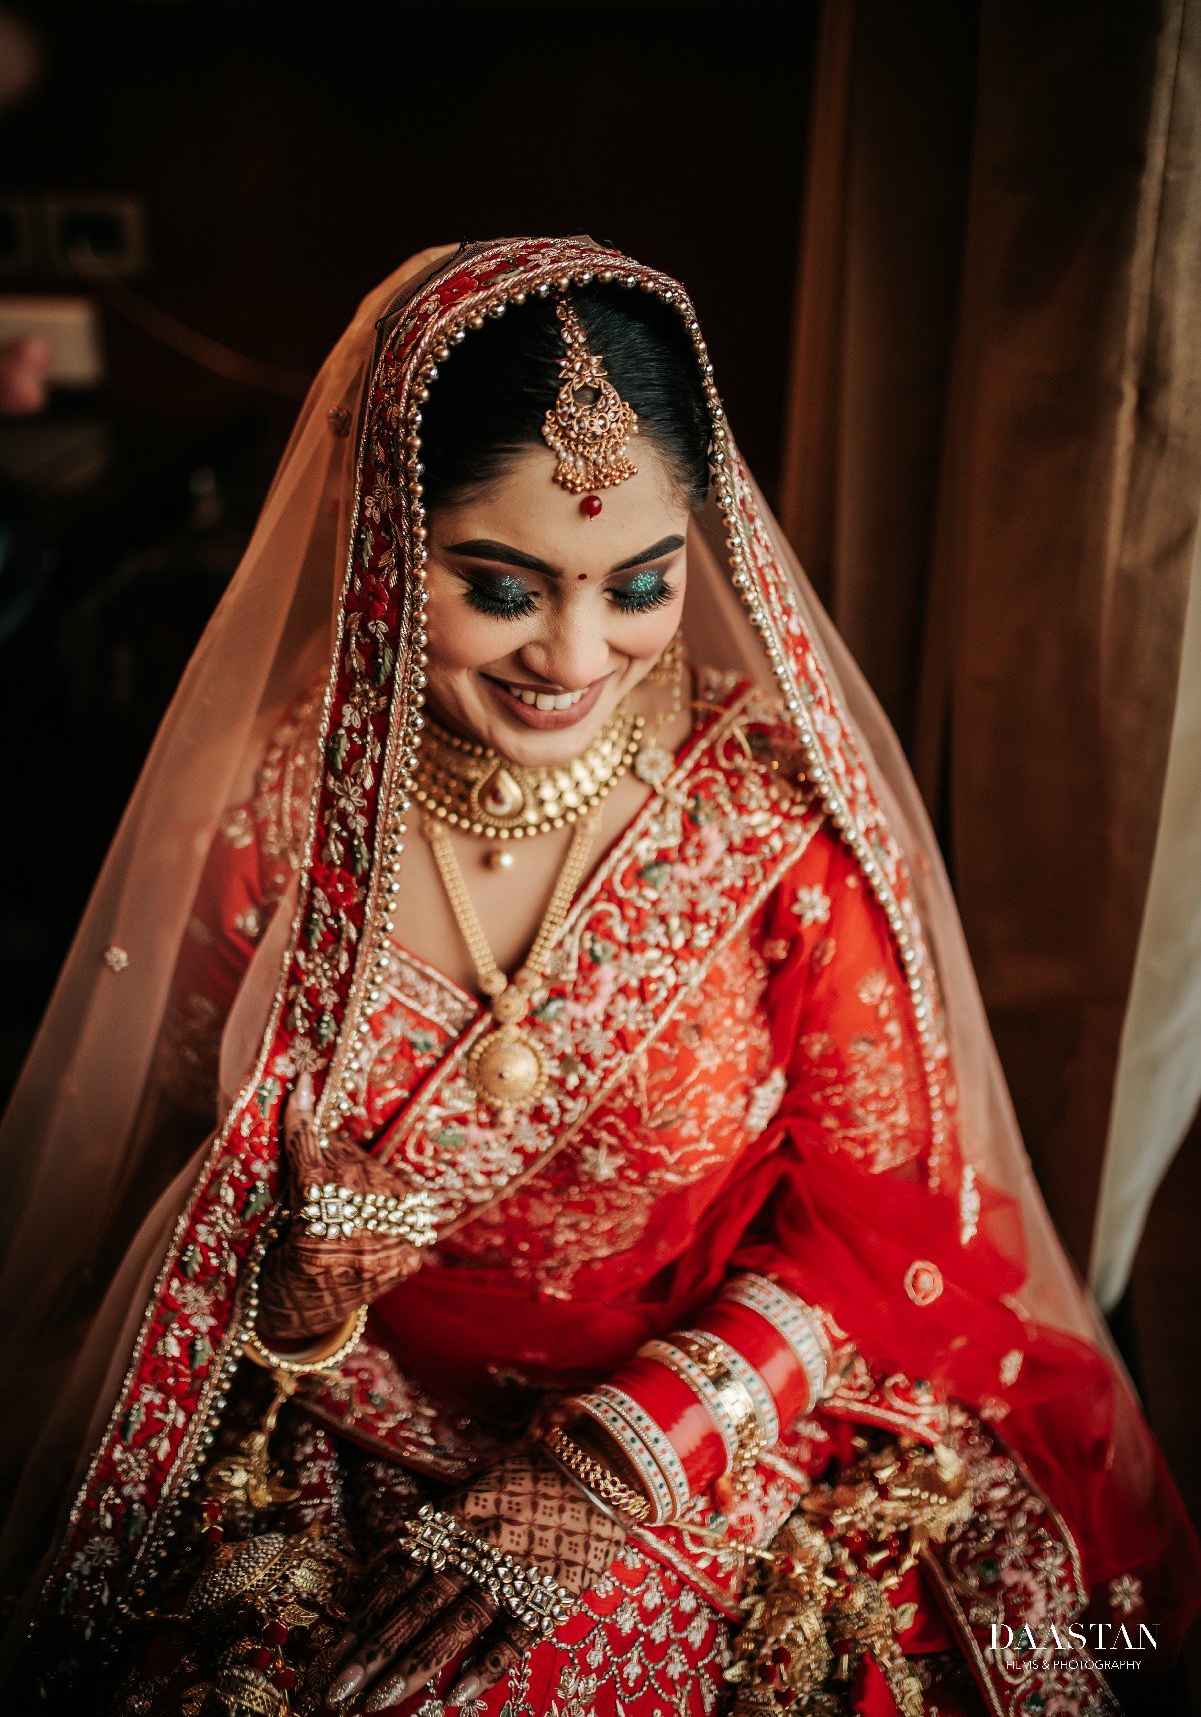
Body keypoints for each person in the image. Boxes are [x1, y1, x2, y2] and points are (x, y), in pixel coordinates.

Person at [0, 237, 1197, 1716]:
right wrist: (303, 1302)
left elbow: (896, 1216)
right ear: (383, 538)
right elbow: (191, 1211)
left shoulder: (766, 813)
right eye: (499, 585)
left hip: (726, 1411)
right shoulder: (271, 828)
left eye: (639, 582)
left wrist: (637, 1449)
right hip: (356, 1434)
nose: (576, 652)